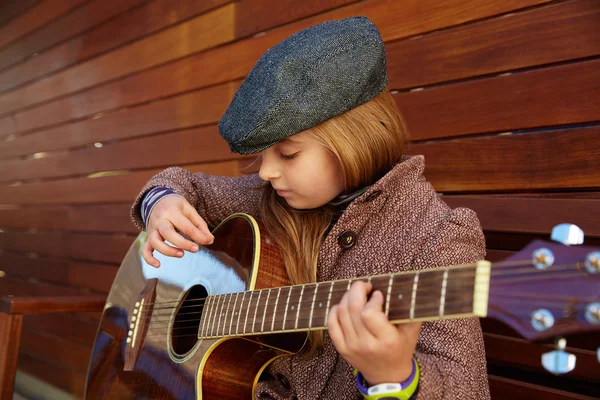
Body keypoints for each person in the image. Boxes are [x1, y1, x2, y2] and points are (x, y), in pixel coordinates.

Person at [130, 16, 490, 400]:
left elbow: (464, 387)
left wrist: (394, 378)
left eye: (287, 153)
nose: (267, 172)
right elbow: (187, 187)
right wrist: (160, 202)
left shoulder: (436, 236)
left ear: (355, 140)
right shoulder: (271, 199)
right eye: (264, 155)